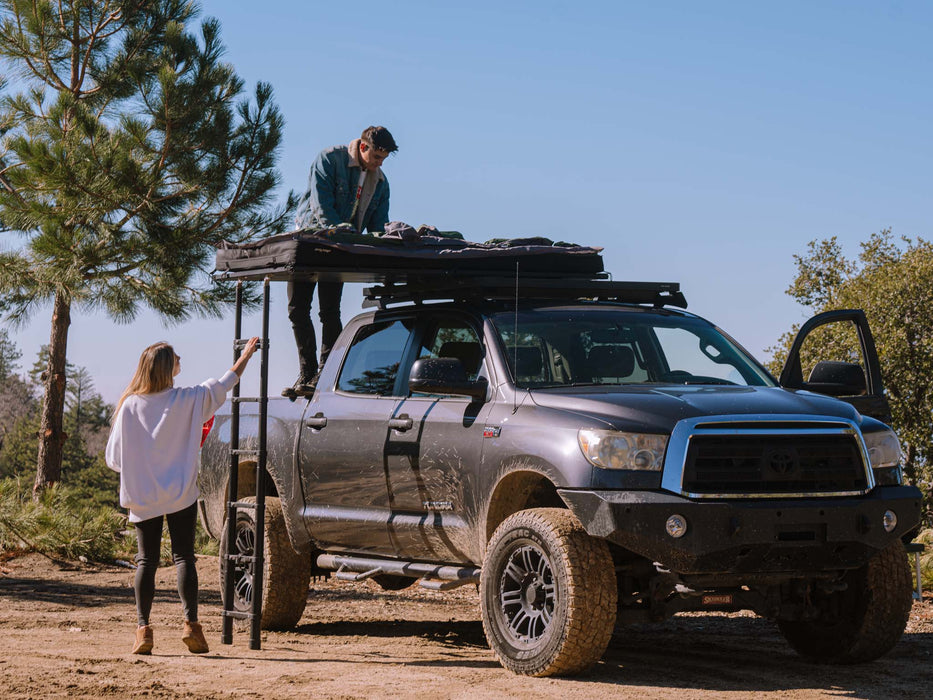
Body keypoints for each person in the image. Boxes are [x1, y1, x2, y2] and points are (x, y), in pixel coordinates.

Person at [105, 337, 259, 655]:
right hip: (180, 493)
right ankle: (192, 627)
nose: (181, 360)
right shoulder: (188, 399)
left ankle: (143, 631)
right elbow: (225, 382)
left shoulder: (130, 405)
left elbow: (115, 459)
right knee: (184, 558)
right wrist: (245, 356)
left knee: (146, 562)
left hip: (144, 496)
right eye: (176, 357)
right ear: (167, 367)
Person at [286, 125, 399, 396]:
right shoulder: (329, 159)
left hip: (340, 249)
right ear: (363, 147)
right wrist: (339, 229)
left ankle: (325, 373)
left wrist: (381, 240)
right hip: (309, 241)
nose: (379, 164)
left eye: (383, 159)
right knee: (297, 309)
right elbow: (320, 204)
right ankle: (307, 372)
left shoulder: (380, 183)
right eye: (376, 157)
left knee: (329, 311)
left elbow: (377, 225)